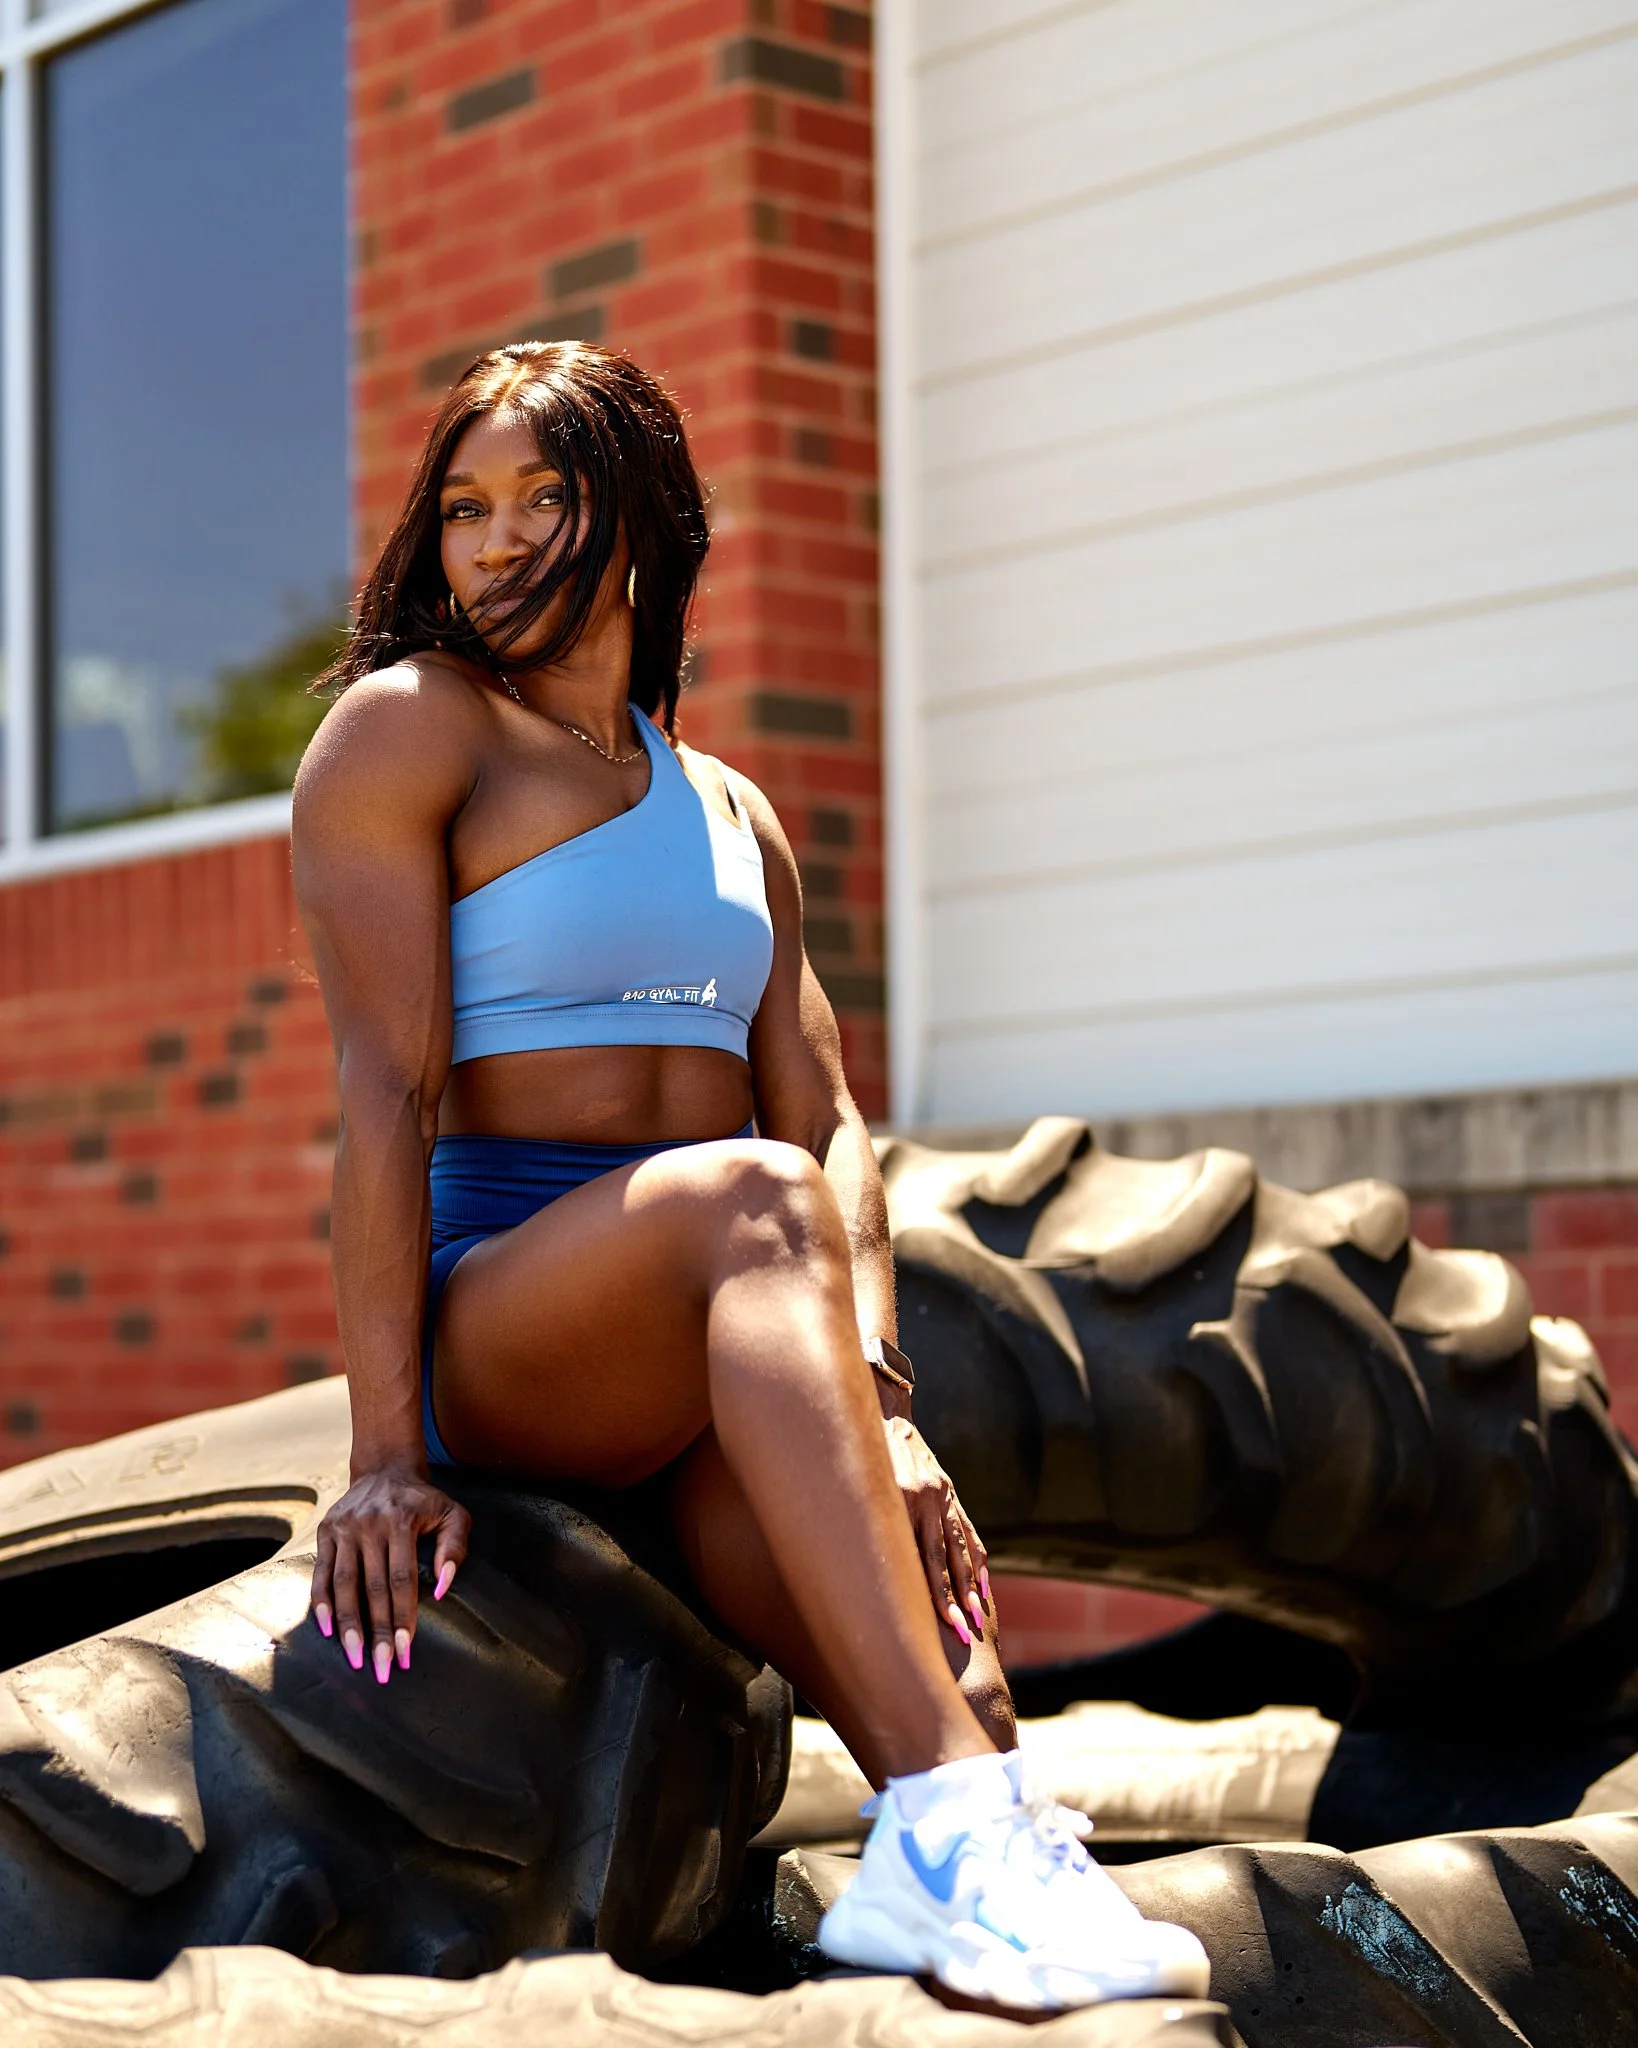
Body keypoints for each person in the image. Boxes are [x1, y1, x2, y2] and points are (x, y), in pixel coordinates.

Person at [292, 340, 1209, 2012]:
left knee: (961, 1677)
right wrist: (378, 1456)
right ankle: (950, 1842)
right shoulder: (413, 734)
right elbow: (382, 1090)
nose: (492, 543)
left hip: (722, 1337)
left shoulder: (731, 809)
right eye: (464, 508)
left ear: (636, 521)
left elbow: (834, 1119)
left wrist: (888, 1409)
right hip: (506, 1321)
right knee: (751, 1189)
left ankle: (943, 1859)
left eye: (542, 499)